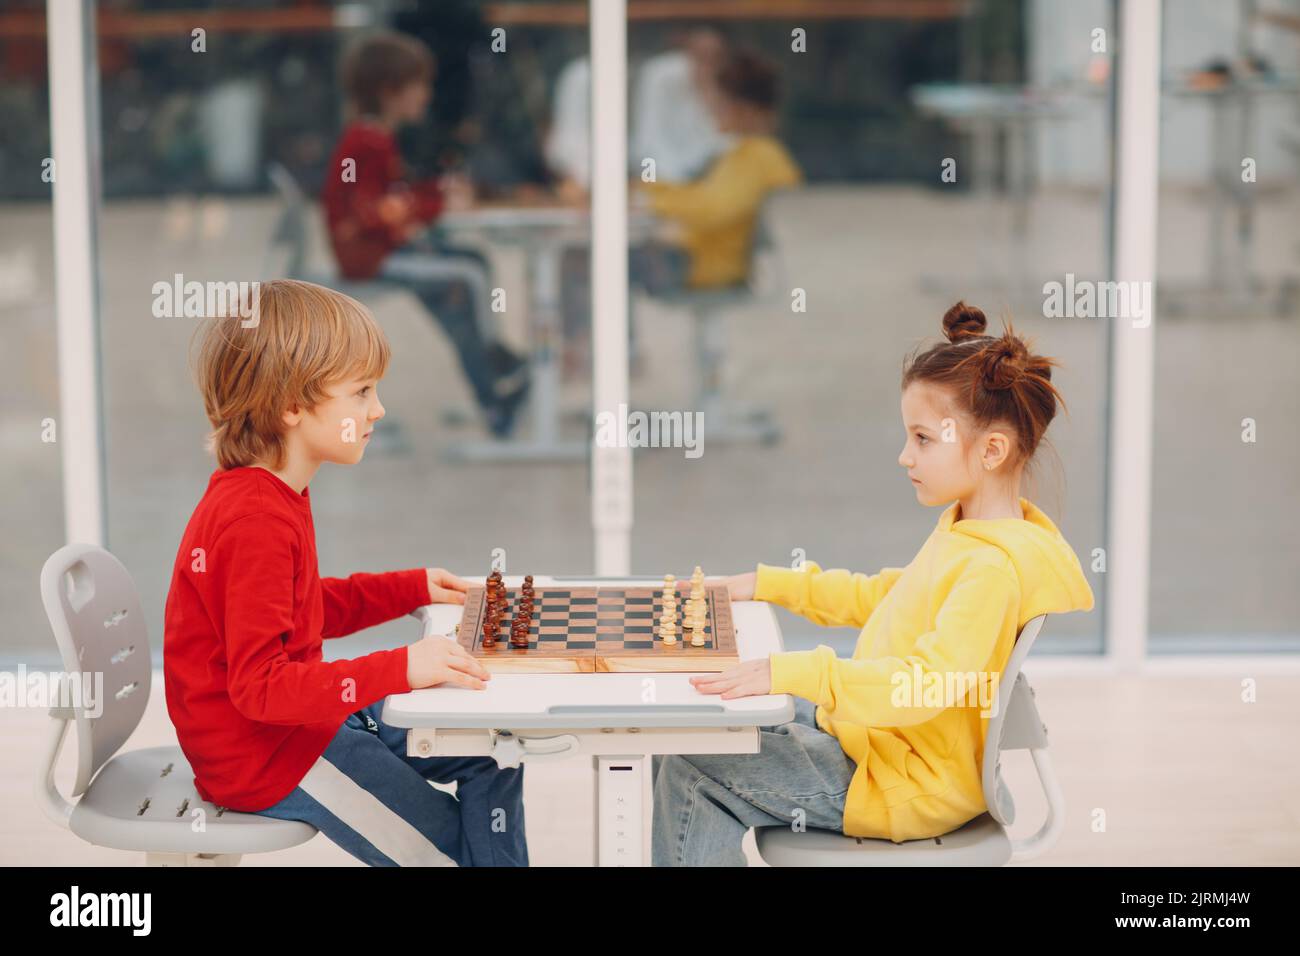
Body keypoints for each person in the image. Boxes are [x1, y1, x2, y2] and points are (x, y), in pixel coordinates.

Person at [651, 302, 1096, 866]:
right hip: (880, 747)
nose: (905, 455)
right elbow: (883, 598)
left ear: (990, 450)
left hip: (903, 781)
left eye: (924, 438)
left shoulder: (991, 568)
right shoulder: (970, 531)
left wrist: (795, 670)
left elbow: (924, 687)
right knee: (693, 731)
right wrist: (767, 584)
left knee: (691, 764)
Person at [164, 279, 528, 866]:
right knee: (447, 855)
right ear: (291, 405)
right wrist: (401, 667)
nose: (378, 409)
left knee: (495, 749)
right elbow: (259, 689)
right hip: (268, 756)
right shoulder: (253, 520)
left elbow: (300, 607)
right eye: (361, 392)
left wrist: (406, 589)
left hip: (302, 724)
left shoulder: (275, 491)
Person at [321, 31, 529, 438]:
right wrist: (437, 203)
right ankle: (495, 364)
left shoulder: (372, 137)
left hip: (378, 250)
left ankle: (492, 394)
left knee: (463, 281)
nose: (426, 96)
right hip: (369, 257)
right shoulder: (368, 142)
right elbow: (376, 212)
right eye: (420, 86)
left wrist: (434, 194)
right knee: (468, 275)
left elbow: (391, 199)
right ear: (389, 91)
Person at [559, 47, 803, 376]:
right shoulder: (746, 153)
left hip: (705, 266)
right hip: (702, 258)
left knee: (585, 260)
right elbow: (703, 197)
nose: (711, 112)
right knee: (601, 257)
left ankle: (591, 352)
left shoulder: (758, 155)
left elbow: (712, 208)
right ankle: (605, 350)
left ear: (741, 108)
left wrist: (650, 201)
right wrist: (642, 189)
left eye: (717, 104)